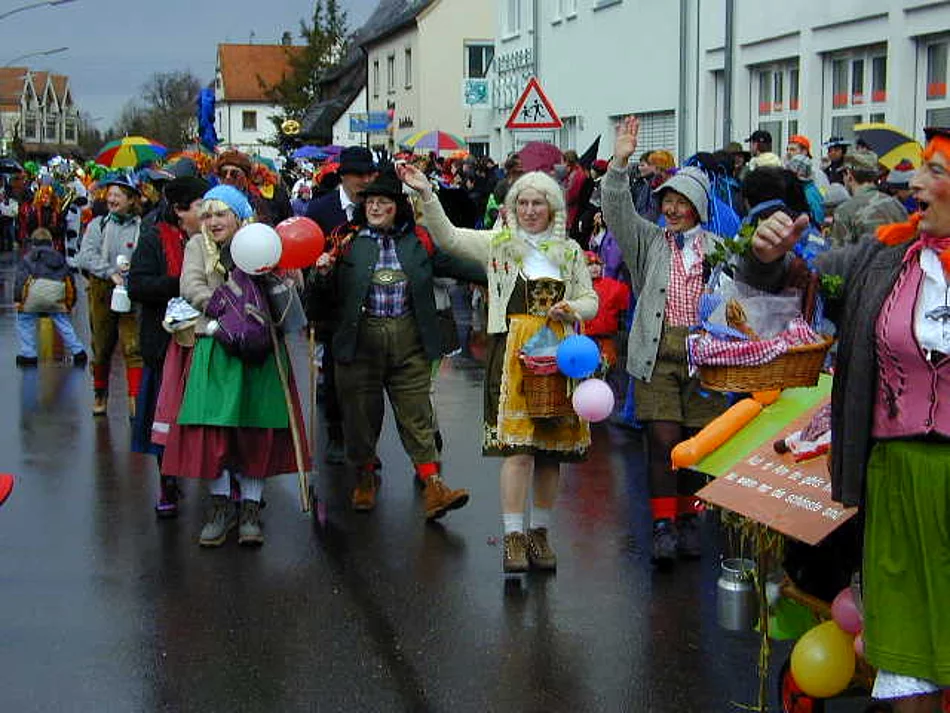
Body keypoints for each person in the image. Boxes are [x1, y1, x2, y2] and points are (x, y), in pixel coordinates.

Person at [742, 125, 950, 713]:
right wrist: (767, 255)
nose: (916, 184)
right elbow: (797, 280)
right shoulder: (882, 260)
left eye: (937, 172)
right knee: (908, 657)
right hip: (897, 480)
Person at [397, 161, 598, 574]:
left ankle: (540, 533)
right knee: (518, 451)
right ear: (512, 207)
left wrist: (572, 308)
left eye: (537, 203)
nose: (529, 210)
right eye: (522, 203)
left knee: (551, 454)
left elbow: (590, 300)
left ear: (553, 208)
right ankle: (513, 537)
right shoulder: (499, 244)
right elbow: (449, 238)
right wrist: (426, 194)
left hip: (560, 357)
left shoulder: (570, 252)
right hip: (512, 357)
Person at [309, 167, 481, 520]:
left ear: (397, 207)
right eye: (370, 201)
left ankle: (434, 486)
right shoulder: (346, 241)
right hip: (359, 345)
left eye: (383, 201)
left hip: (409, 341)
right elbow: (320, 300)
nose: (374, 207)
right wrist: (321, 274)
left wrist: (502, 271)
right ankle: (365, 478)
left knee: (417, 415)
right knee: (360, 418)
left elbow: (457, 266)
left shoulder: (417, 241)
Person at [602, 115, 731, 569]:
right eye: (668, 201)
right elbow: (616, 209)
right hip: (656, 355)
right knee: (663, 440)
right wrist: (620, 162)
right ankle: (662, 525)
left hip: (703, 359)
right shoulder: (649, 240)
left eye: (682, 202)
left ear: (699, 207)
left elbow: (736, 303)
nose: (673, 209)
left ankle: (689, 518)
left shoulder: (719, 248)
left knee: (695, 444)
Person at [160, 185, 308, 547]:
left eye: (221, 213)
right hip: (216, 345)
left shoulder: (261, 242)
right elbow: (191, 285)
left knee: (256, 428)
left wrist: (281, 277)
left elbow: (291, 285)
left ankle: (250, 510)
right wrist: (227, 310)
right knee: (214, 431)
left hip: (260, 349)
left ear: (239, 216)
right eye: (207, 214)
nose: (212, 221)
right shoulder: (198, 246)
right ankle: (221, 507)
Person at [127, 175, 209, 518]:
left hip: (206, 342)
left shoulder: (213, 237)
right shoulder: (154, 239)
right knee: (165, 419)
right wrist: (184, 285)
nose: (207, 213)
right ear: (179, 210)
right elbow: (137, 286)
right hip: (165, 343)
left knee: (208, 417)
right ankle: (167, 481)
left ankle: (221, 481)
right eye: (200, 206)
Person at [306, 146, 379, 466]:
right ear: (343, 177)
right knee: (335, 375)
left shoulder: (377, 206)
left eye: (369, 174)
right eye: (358, 175)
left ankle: (365, 443)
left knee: (368, 379)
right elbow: (307, 255)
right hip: (332, 305)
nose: (365, 181)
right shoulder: (320, 209)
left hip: (370, 303)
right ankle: (336, 435)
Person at [76, 173, 144, 417]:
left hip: (131, 289)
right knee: (102, 345)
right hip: (102, 288)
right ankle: (100, 394)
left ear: (131, 199)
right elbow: (85, 256)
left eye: (118, 195)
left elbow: (145, 256)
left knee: (133, 346)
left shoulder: (141, 227)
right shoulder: (98, 225)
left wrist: (133, 274)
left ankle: (135, 401)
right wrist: (110, 272)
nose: (112, 199)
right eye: (110, 194)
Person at [14, 227, 87, 367]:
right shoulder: (59, 258)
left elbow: (20, 280)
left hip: (33, 296)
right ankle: (78, 351)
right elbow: (69, 280)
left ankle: (29, 354)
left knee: (25, 320)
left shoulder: (28, 258)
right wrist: (70, 303)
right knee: (62, 321)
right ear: (51, 242)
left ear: (33, 243)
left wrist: (18, 299)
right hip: (56, 296)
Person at [830, 149, 908, 248]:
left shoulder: (844, 211)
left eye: (843, 174)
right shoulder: (897, 206)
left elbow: (838, 254)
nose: (843, 179)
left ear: (849, 175)